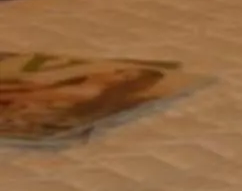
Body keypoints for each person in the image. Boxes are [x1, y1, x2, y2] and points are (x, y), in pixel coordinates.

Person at [0, 59, 171, 142]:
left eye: (123, 76)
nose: (114, 75)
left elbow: (32, 97)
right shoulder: (80, 85)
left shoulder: (90, 92)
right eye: (119, 72)